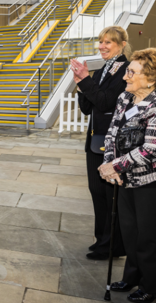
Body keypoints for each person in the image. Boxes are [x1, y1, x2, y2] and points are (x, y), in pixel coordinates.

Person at [99, 48, 156, 303]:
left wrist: (116, 166)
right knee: (130, 232)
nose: (125, 76)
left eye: (132, 72)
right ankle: (132, 276)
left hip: (149, 183)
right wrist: (108, 163)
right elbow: (111, 134)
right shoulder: (124, 98)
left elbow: (151, 150)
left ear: (151, 78)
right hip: (124, 180)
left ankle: (150, 285)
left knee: (148, 237)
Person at [72, 26, 131, 260]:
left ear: (122, 44)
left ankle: (113, 245)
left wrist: (86, 81)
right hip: (95, 139)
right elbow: (88, 108)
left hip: (112, 142)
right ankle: (101, 239)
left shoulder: (125, 69)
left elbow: (106, 102)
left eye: (108, 42)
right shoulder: (102, 69)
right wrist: (80, 84)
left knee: (110, 195)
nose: (102, 46)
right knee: (96, 191)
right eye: (100, 41)